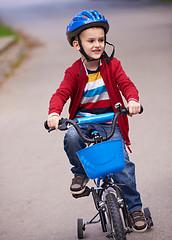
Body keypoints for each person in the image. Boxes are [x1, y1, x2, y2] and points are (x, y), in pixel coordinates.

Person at [47, 10, 148, 232]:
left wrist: (132, 100)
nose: (97, 45)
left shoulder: (113, 66)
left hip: (110, 122)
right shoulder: (73, 72)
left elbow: (127, 85)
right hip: (83, 122)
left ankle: (134, 209)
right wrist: (54, 114)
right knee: (71, 137)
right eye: (90, 40)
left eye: (101, 40)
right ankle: (80, 172)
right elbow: (61, 94)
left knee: (123, 167)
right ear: (77, 45)